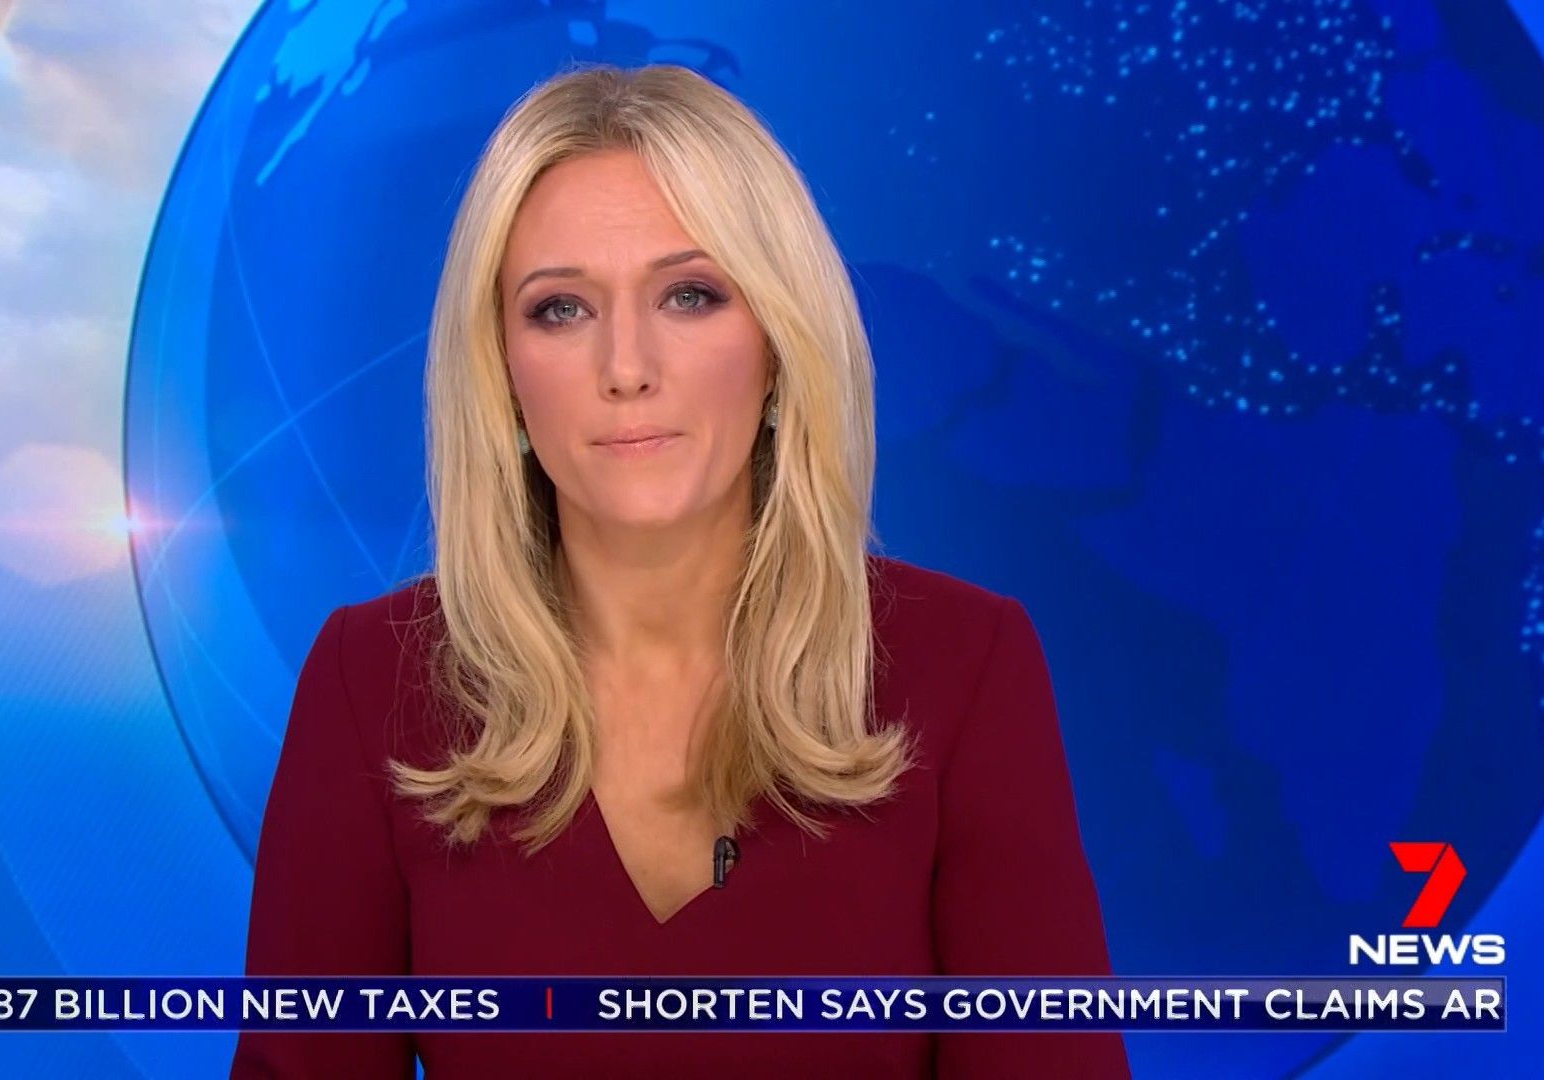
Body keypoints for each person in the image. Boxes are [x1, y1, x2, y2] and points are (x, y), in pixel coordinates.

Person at [231, 61, 1128, 1078]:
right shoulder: (372, 683)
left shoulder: (965, 666)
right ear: (501, 371)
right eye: (560, 309)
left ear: (779, 345)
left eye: (690, 295)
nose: (627, 367)